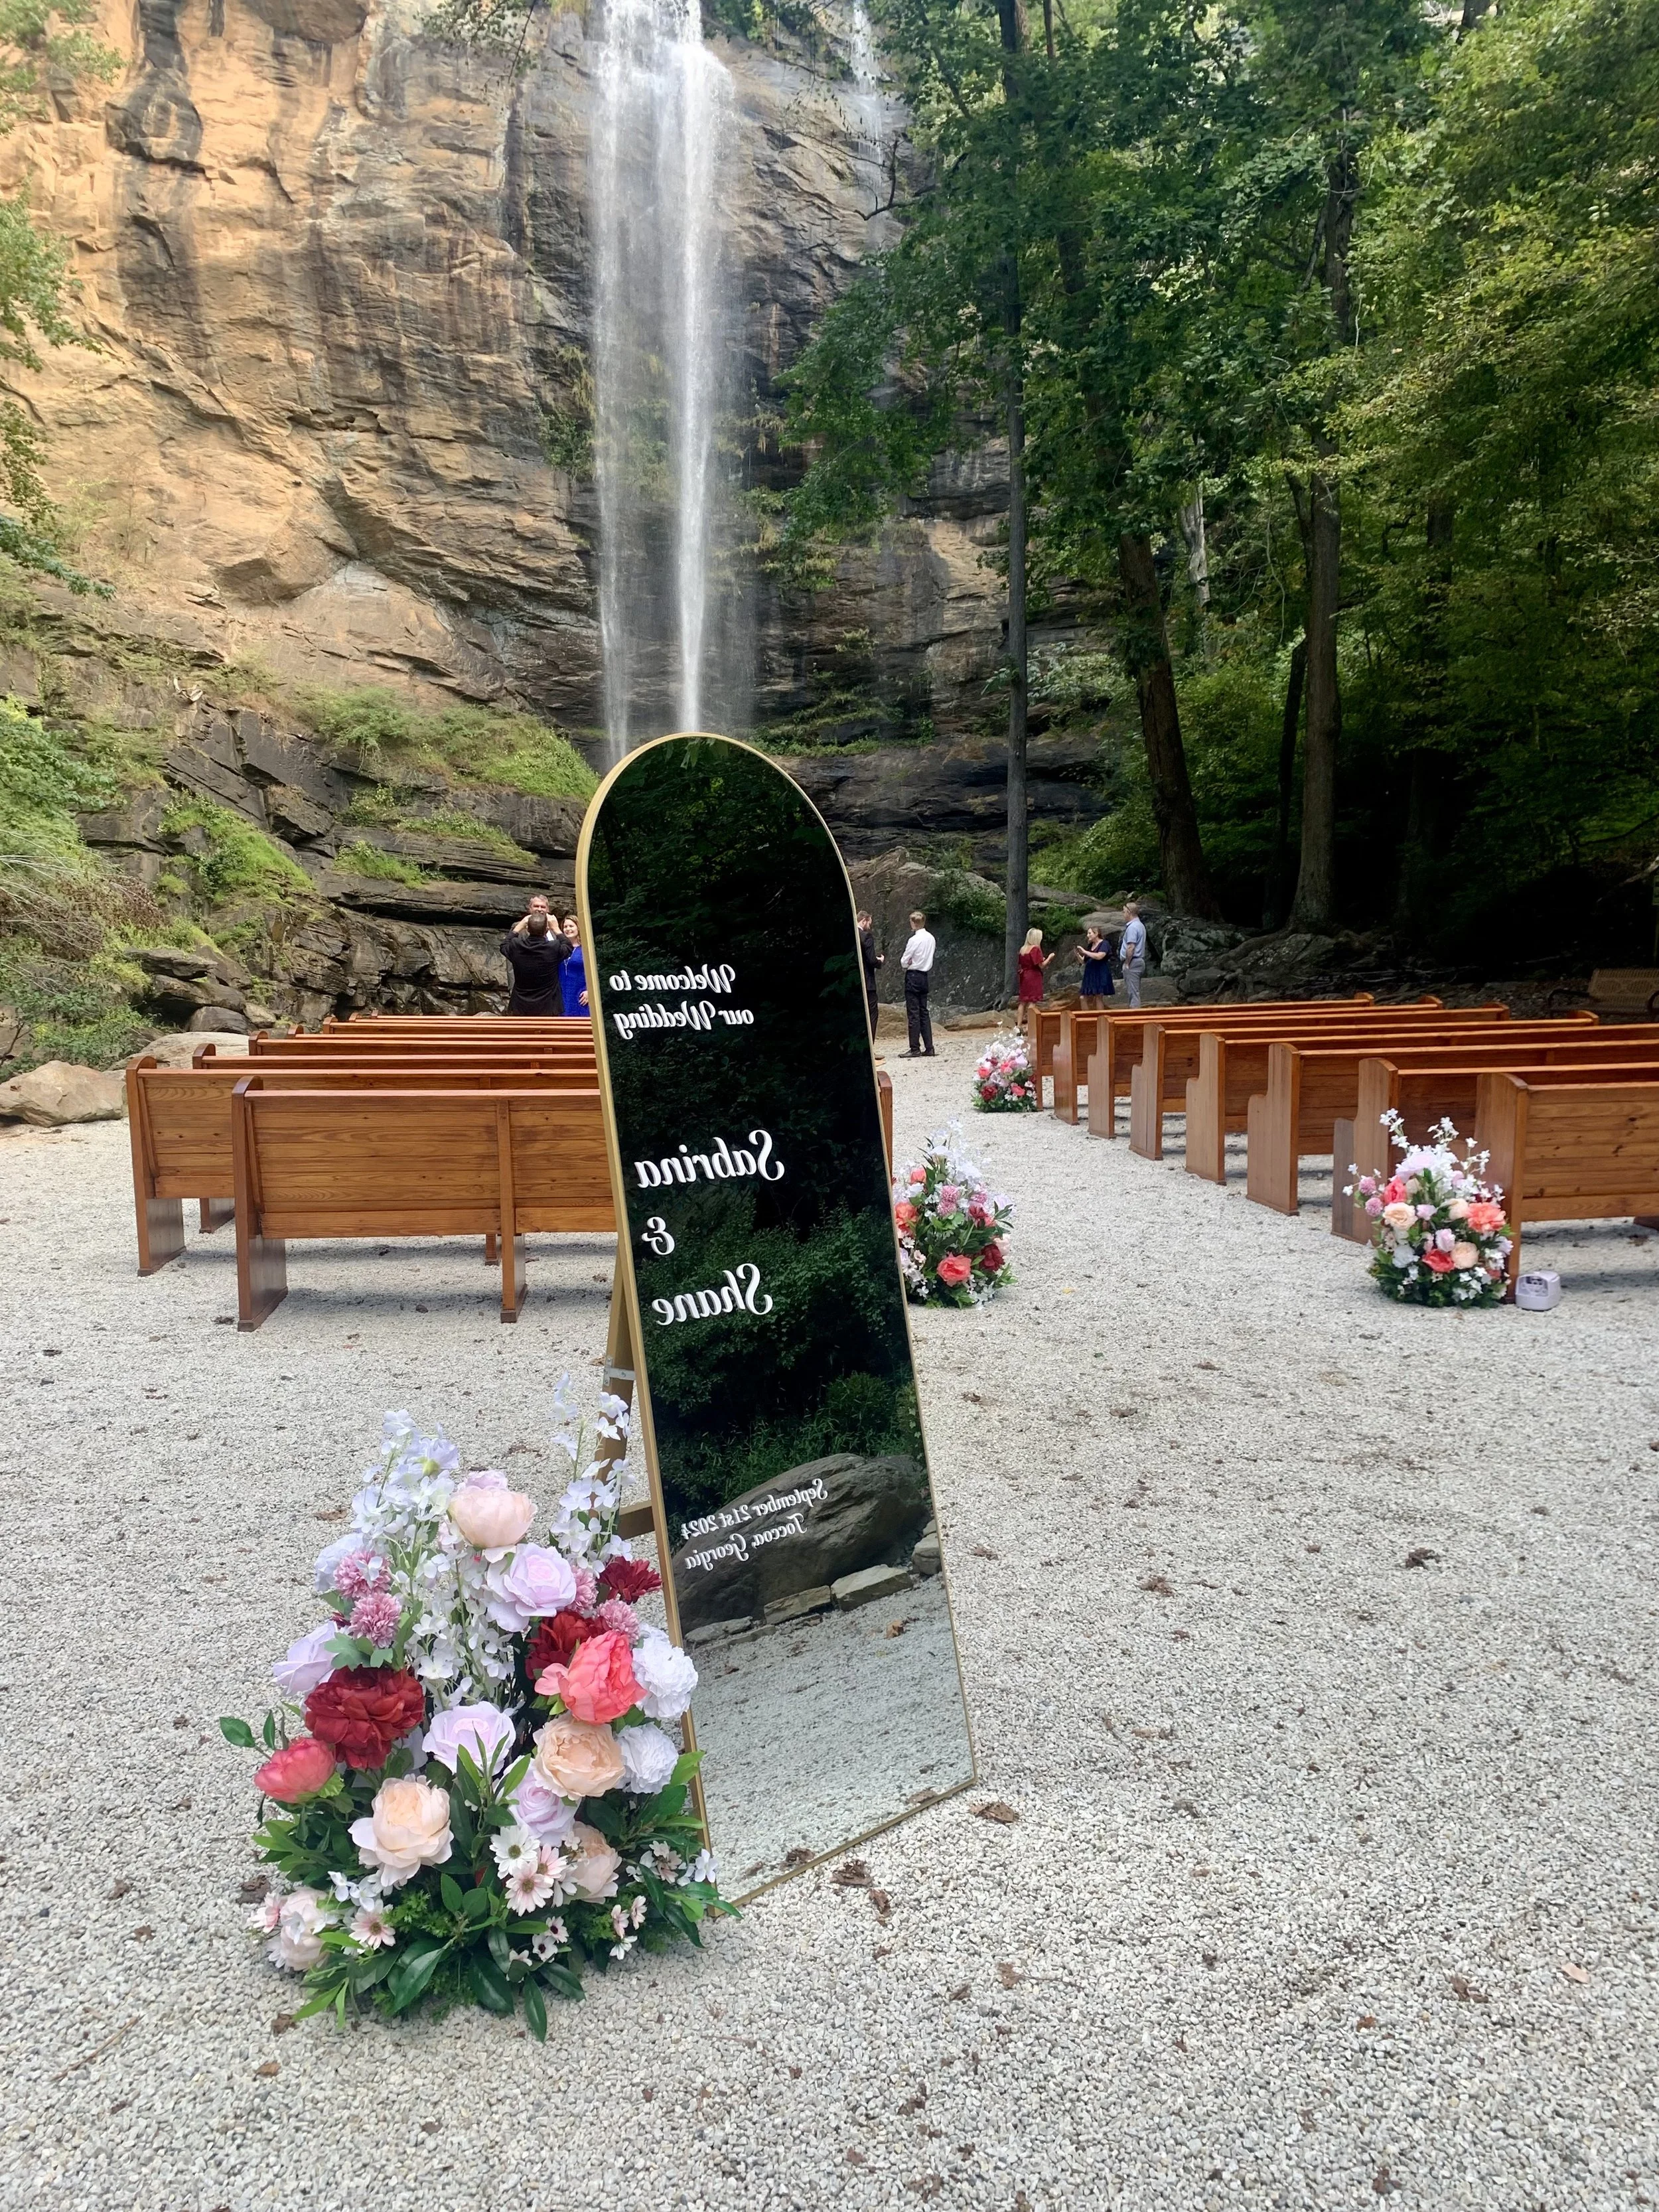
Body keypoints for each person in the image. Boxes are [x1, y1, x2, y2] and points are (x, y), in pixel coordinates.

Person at [500, 896, 571, 1016]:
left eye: (543, 907)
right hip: (529, 998)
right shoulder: (555, 943)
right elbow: (510, 966)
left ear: (548, 909)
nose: (539, 909)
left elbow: (504, 946)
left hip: (548, 996)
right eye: (536, 906)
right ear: (530, 909)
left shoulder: (516, 943)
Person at [899, 908, 936, 1057]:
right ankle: (929, 1047)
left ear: (914, 923)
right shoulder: (931, 938)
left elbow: (904, 960)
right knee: (924, 1012)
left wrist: (906, 964)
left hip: (913, 974)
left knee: (913, 1012)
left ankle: (914, 1048)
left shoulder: (914, 940)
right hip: (924, 976)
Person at [1015, 926, 1054, 1033]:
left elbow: (1025, 962)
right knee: (1033, 1001)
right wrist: (1050, 958)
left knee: (1023, 1001)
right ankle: (1028, 1026)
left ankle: (1018, 1026)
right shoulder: (1035, 949)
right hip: (1033, 976)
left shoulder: (1023, 949)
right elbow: (1041, 965)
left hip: (1024, 976)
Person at [856, 909, 883, 1042]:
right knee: (873, 1013)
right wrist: (880, 961)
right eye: (869, 923)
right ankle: (870, 1045)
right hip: (867, 981)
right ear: (864, 920)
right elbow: (871, 960)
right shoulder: (866, 937)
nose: (870, 926)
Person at [1119, 900, 1148, 1009]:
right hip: (1139, 961)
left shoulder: (1132, 927)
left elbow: (1131, 947)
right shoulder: (1140, 925)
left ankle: (1135, 1018)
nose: (1123, 915)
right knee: (1135, 991)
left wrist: (1127, 963)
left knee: (1133, 993)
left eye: (1124, 912)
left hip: (1133, 962)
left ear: (1129, 912)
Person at [1077, 924, 1114, 1007]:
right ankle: (1087, 1018)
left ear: (1096, 933)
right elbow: (1084, 961)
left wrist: (1085, 952)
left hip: (1100, 973)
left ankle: (1100, 1018)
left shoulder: (1104, 944)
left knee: (1098, 996)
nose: (1088, 935)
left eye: (1090, 933)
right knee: (1083, 997)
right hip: (1090, 974)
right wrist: (1078, 955)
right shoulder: (1091, 945)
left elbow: (1100, 956)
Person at [559, 913, 589, 1017]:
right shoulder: (559, 948)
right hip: (562, 994)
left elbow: (595, 973)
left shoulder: (586, 949)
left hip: (581, 995)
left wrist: (590, 991)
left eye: (571, 926)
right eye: (565, 927)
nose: (568, 929)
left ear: (578, 928)